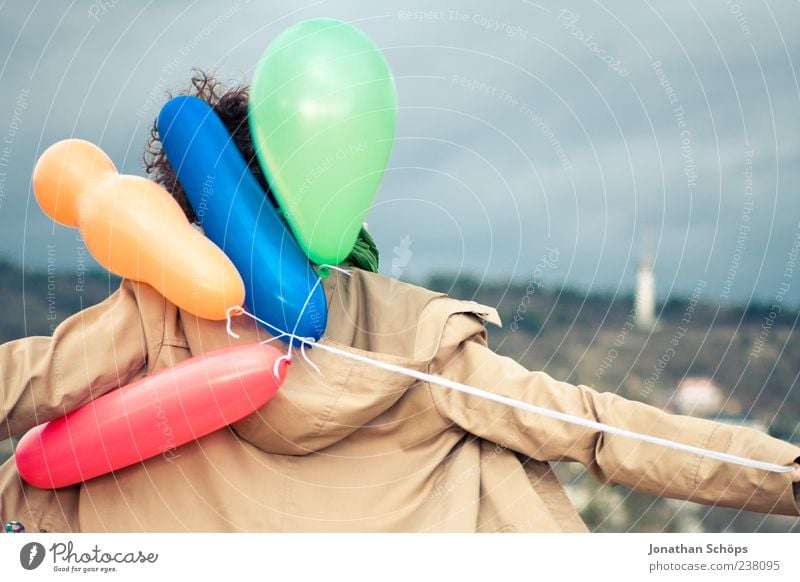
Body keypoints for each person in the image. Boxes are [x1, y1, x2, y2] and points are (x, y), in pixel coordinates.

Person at [1, 71, 799, 533]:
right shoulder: (411, 327)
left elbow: (31, 380)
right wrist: (786, 475)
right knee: (497, 443)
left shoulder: (157, 311)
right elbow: (590, 426)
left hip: (170, 540)